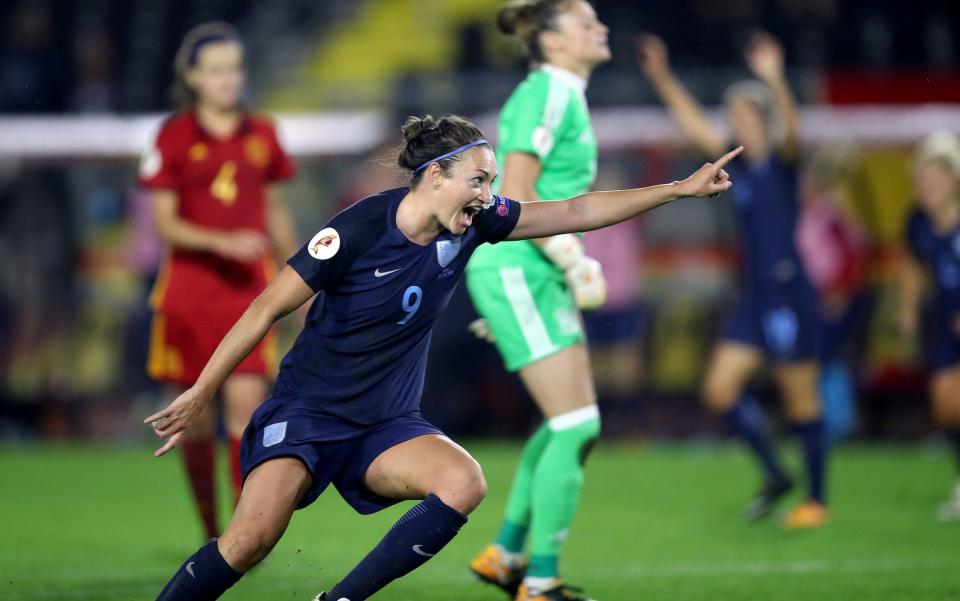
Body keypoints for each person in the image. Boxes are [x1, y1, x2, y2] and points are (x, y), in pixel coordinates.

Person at [145, 113, 741, 601]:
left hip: (385, 424)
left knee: (463, 482)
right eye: (478, 180)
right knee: (249, 542)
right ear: (434, 176)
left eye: (492, 182)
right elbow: (263, 308)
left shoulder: (473, 225)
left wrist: (678, 190)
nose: (488, 195)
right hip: (309, 413)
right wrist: (201, 392)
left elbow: (576, 210)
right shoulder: (355, 231)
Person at [639, 31, 829, 528]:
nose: (738, 123)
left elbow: (793, 128)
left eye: (747, 114)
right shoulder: (738, 166)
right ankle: (774, 472)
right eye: (735, 116)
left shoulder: (783, 164)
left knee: (800, 398)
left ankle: (818, 500)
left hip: (789, 293)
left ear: (763, 119)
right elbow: (695, 125)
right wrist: (661, 76)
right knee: (719, 390)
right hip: (755, 296)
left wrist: (774, 78)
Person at [463, 2, 609, 599]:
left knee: (571, 424)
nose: (599, 28)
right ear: (550, 43)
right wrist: (572, 259)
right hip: (523, 263)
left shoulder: (561, 93)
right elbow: (517, 194)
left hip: (528, 266)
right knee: (577, 424)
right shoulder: (550, 93)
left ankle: (508, 556)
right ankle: (540, 581)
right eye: (584, 22)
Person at [138, 22, 299, 539]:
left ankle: (240, 533)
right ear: (192, 76)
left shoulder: (263, 134)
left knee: (246, 409)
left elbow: (274, 212)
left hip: (249, 292)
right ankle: (210, 528)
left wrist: (301, 271)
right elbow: (165, 223)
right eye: (216, 70)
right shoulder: (173, 135)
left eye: (234, 69)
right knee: (197, 421)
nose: (228, 80)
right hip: (189, 294)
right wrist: (221, 241)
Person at [899, 131, 960, 521]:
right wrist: (906, 309)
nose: (928, 186)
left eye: (935, 177)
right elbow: (912, 263)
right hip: (943, 317)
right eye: (923, 179)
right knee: (946, 406)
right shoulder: (917, 221)